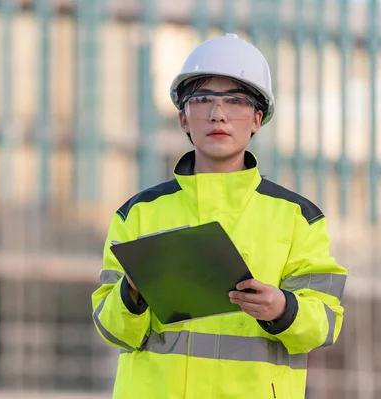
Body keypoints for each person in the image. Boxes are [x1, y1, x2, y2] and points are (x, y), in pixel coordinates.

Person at [91, 33, 347, 399]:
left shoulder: (298, 218)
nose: (218, 114)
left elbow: (326, 323)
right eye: (203, 100)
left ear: (257, 119)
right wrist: (131, 291)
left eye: (235, 101)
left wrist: (283, 308)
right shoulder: (138, 214)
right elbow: (112, 329)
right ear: (183, 118)